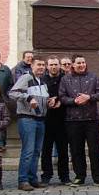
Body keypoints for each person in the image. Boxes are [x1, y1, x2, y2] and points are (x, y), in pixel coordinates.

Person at [59, 54, 99, 187]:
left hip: (91, 119)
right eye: (78, 63)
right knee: (76, 150)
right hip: (73, 120)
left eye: (83, 62)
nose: (81, 65)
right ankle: (79, 176)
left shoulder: (93, 77)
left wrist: (89, 97)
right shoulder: (65, 79)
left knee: (95, 150)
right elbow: (62, 97)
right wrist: (74, 101)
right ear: (73, 65)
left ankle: (98, 177)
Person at [9, 56, 50, 191]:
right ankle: (23, 180)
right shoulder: (26, 78)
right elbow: (13, 93)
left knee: (36, 151)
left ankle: (33, 179)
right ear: (32, 66)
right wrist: (27, 97)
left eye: (43, 65)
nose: (41, 67)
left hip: (40, 119)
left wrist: (50, 102)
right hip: (27, 119)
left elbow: (41, 99)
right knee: (28, 150)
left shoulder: (42, 81)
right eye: (38, 65)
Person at [40, 57, 70, 185]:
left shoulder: (66, 79)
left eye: (56, 65)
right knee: (46, 149)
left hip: (62, 118)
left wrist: (59, 100)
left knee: (63, 149)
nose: (53, 67)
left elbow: (69, 95)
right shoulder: (42, 80)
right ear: (47, 66)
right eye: (51, 65)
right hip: (46, 119)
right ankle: (46, 175)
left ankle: (64, 176)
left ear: (59, 66)